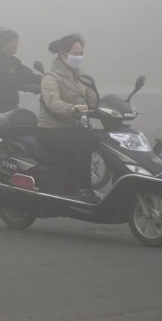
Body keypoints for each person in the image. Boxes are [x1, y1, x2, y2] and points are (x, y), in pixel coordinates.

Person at [37, 33, 100, 204]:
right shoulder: (50, 77)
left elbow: (93, 98)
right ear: (63, 54)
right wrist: (71, 108)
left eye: (81, 53)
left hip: (70, 128)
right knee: (84, 140)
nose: (78, 57)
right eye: (75, 53)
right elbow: (53, 102)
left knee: (100, 137)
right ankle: (85, 189)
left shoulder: (81, 75)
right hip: (50, 131)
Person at [0, 27, 41, 115]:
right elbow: (7, 80)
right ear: (4, 43)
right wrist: (29, 87)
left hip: (10, 107)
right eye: (13, 41)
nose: (16, 44)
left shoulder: (14, 61)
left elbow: (28, 75)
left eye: (17, 41)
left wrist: (47, 80)